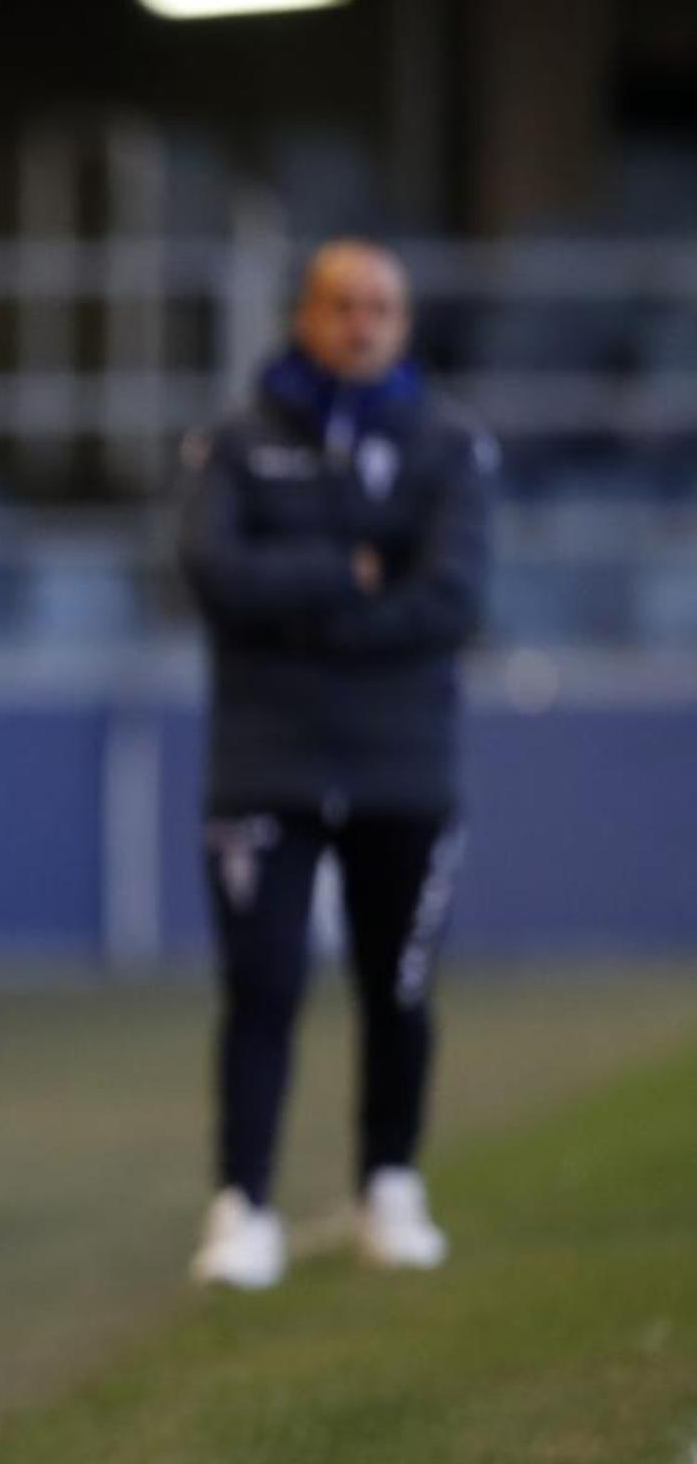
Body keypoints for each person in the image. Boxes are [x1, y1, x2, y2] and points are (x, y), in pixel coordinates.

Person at [178, 239, 491, 1291]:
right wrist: (346, 572)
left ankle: (389, 1182)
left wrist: (308, 612)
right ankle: (241, 1203)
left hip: (402, 760)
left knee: (395, 988)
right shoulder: (233, 441)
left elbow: (449, 598)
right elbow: (216, 574)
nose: (359, 323)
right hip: (263, 758)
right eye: (338, 304)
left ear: (402, 322)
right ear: (301, 313)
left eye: (379, 307)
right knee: (260, 985)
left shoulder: (445, 444)